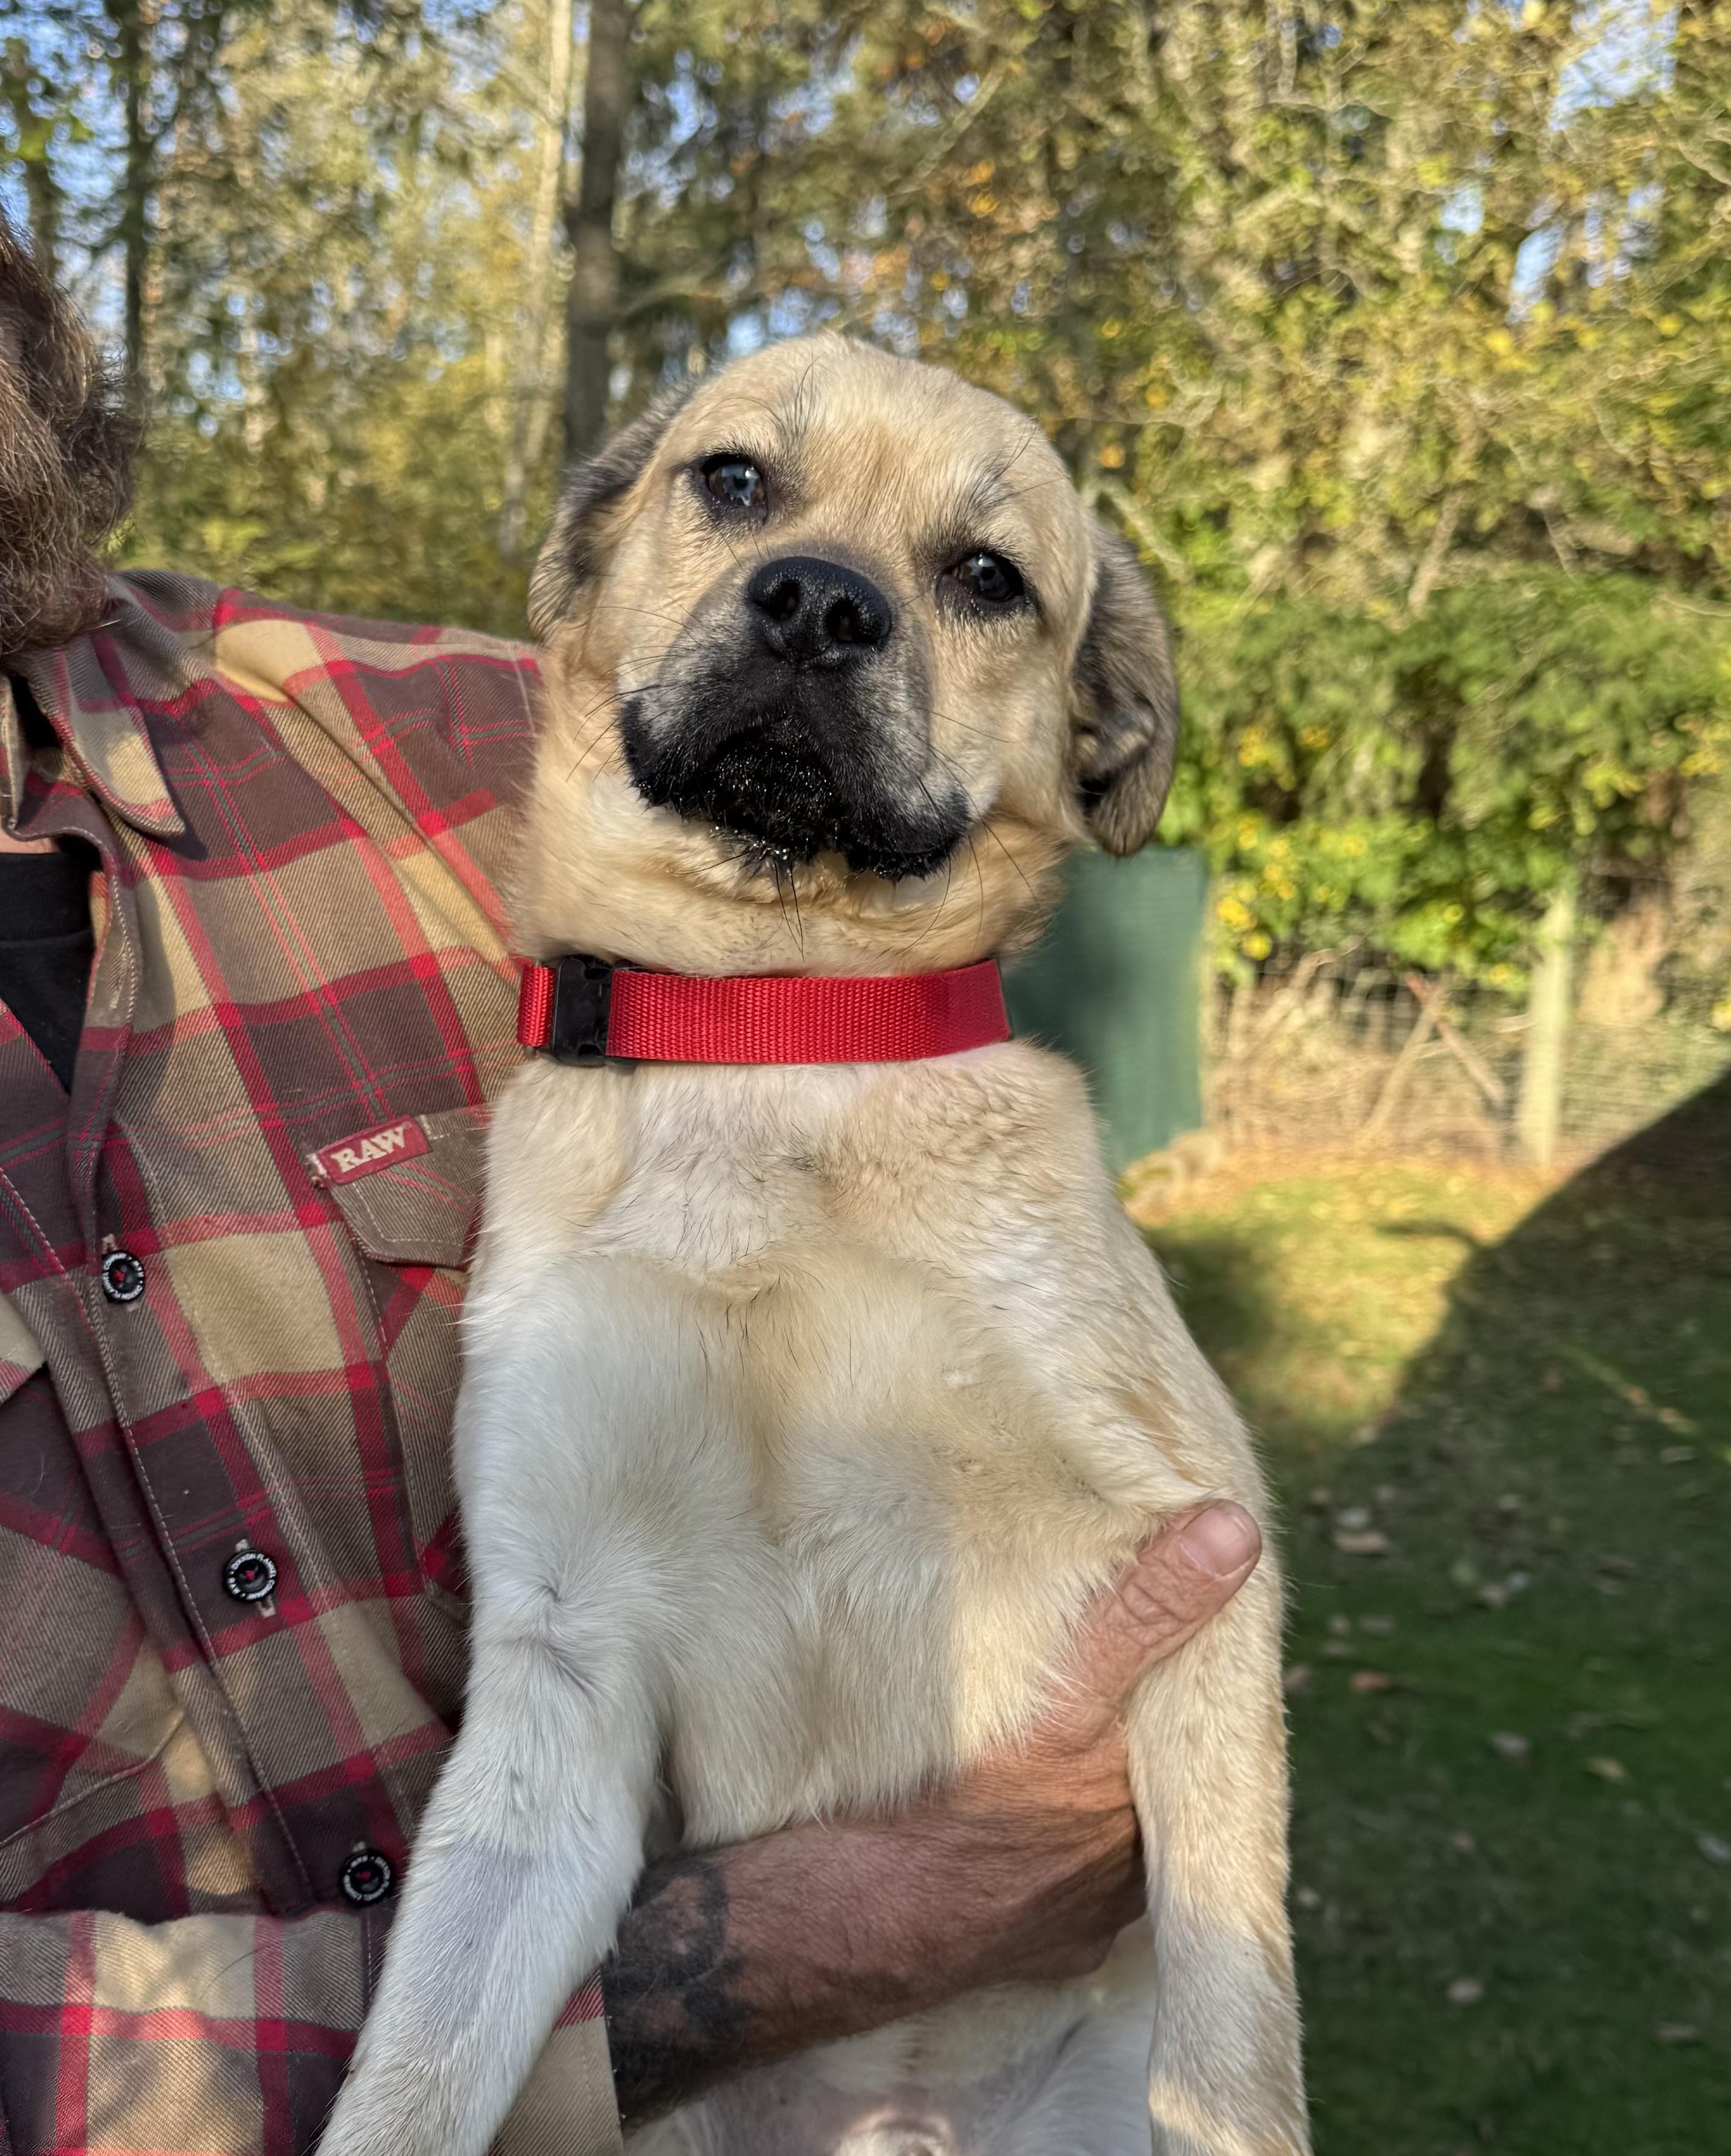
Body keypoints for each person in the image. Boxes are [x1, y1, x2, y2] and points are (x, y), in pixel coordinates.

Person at [0, 218, 1262, 2156]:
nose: (818, 591)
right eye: (742, 492)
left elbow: (1190, 1581)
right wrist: (809, 1935)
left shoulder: (411, 741)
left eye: (974, 580)